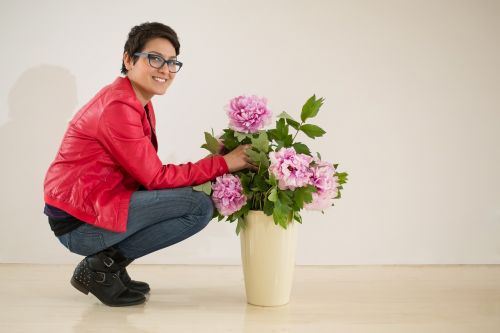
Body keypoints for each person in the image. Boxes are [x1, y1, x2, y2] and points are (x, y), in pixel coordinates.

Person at [43, 22, 256, 307]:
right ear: (128, 59)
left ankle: (108, 266)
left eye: (172, 62)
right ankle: (101, 267)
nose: (165, 69)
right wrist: (224, 163)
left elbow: (144, 177)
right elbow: (154, 178)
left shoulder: (135, 100)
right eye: (155, 58)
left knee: (190, 200)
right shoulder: (118, 106)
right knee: (198, 207)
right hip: (79, 224)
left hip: (95, 206)